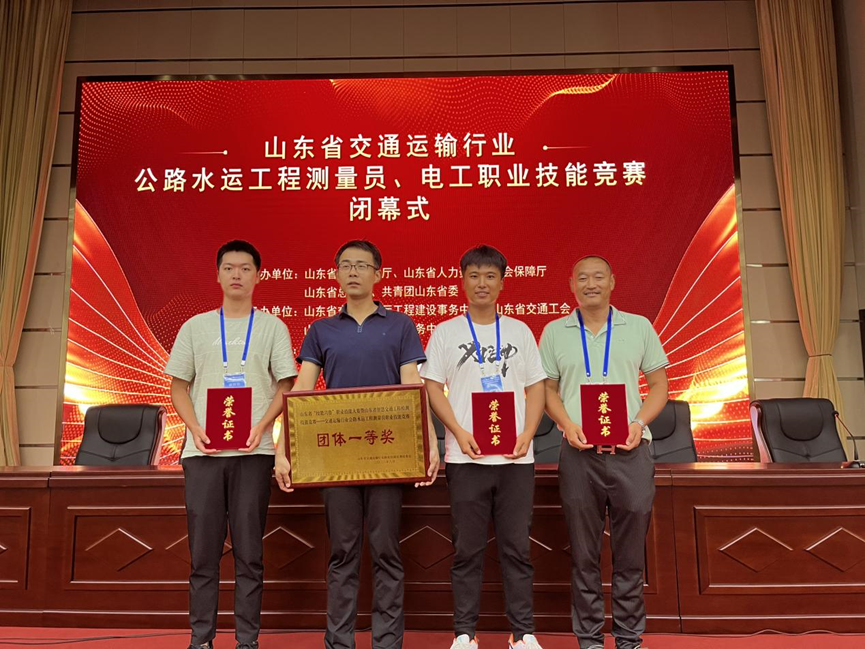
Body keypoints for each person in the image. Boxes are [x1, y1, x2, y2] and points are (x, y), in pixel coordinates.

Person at [275, 239, 440, 649]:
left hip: (388, 454)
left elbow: (412, 386)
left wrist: (429, 443)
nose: (353, 271)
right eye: (345, 265)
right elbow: (302, 391)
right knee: (343, 552)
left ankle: (387, 643)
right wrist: (283, 449)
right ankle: (339, 642)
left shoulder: (400, 325)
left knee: (386, 551)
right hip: (336, 458)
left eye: (362, 265)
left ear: (377, 274)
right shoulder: (321, 330)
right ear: (335, 274)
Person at [165, 240, 297, 649]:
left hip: (253, 454)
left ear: (258, 276)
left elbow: (286, 385)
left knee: (249, 554)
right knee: (203, 554)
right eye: (229, 268)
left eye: (245, 268)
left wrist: (263, 425)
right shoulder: (195, 327)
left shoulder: (273, 327)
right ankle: (201, 639)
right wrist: (194, 427)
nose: (236, 275)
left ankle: (247, 640)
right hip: (202, 454)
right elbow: (178, 386)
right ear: (218, 274)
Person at [538, 255, 669, 649]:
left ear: (612, 281)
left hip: (631, 454)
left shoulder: (639, 327)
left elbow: (659, 385)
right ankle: (589, 640)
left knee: (630, 556)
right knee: (584, 555)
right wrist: (566, 423)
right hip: (580, 457)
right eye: (583, 278)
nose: (590, 284)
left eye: (598, 277)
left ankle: (629, 639)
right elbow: (547, 390)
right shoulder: (554, 332)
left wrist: (639, 422)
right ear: (571, 284)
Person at [421, 245, 547, 649]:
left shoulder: (520, 331)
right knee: (467, 550)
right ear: (462, 281)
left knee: (517, 549)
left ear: (502, 283)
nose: (482, 283)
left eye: (490, 276)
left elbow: (536, 387)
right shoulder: (446, 332)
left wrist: (528, 432)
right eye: (474, 275)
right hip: (466, 458)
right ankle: (464, 633)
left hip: (515, 459)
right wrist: (456, 431)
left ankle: (522, 633)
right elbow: (431, 387)